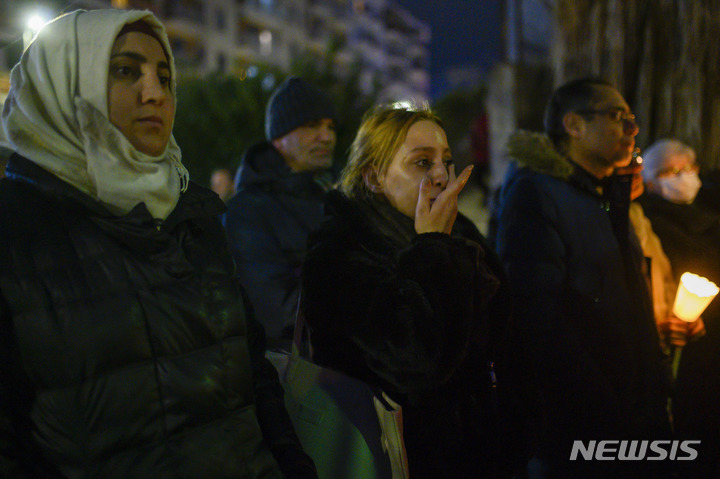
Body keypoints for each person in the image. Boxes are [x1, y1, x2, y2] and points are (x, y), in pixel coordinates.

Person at [0, 9, 316, 478]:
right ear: (64, 84)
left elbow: (254, 378)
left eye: (165, 77)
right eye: (126, 71)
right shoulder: (15, 231)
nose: (156, 93)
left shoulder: (197, 221)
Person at [300, 104, 521, 479]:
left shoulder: (460, 234)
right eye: (421, 163)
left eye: (446, 161)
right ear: (373, 176)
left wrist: (517, 433)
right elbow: (417, 360)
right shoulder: (339, 255)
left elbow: (507, 341)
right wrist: (432, 247)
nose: (440, 175)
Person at [495, 77, 672, 478]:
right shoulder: (535, 193)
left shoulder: (605, 194)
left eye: (631, 118)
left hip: (636, 414)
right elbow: (536, 318)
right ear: (574, 125)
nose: (632, 129)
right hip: (583, 429)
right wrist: (605, 408)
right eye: (616, 117)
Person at [223, 77, 337, 341]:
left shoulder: (336, 198)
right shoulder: (248, 210)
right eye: (312, 126)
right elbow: (276, 315)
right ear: (278, 139)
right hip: (300, 376)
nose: (327, 137)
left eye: (330, 126)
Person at [639, 139, 720, 478]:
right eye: (669, 172)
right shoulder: (646, 221)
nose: (681, 177)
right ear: (650, 182)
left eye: (687, 168)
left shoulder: (712, 214)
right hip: (682, 340)